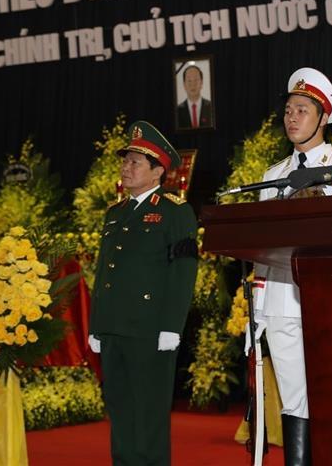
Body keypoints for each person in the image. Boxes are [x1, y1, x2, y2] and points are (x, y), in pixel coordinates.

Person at [249, 67, 332, 466]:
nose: (292, 118)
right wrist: (259, 304)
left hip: (331, 302)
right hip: (283, 299)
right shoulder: (273, 176)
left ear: (324, 118)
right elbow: (261, 248)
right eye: (288, 110)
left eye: (302, 109)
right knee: (294, 401)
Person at [88, 121, 199, 466]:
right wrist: (97, 324)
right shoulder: (115, 214)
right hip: (114, 327)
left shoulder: (175, 211)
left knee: (148, 412)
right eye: (125, 161)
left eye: (135, 162)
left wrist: (172, 325)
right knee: (120, 409)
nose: (126, 167)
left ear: (157, 171)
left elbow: (183, 270)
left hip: (150, 329)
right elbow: (104, 271)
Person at [176, 64, 213, 128]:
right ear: (184, 84)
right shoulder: (177, 110)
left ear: (201, 83)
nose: (193, 84)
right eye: (189, 81)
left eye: (196, 80)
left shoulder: (211, 107)